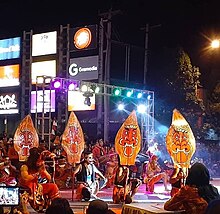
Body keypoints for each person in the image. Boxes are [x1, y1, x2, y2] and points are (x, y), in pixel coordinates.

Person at [19, 147, 60, 211]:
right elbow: (25, 178)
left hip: (37, 186)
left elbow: (49, 178)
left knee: (53, 186)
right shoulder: (25, 166)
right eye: (38, 159)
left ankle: (57, 207)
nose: (40, 161)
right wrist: (37, 174)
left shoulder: (39, 166)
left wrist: (44, 171)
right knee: (33, 186)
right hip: (27, 187)